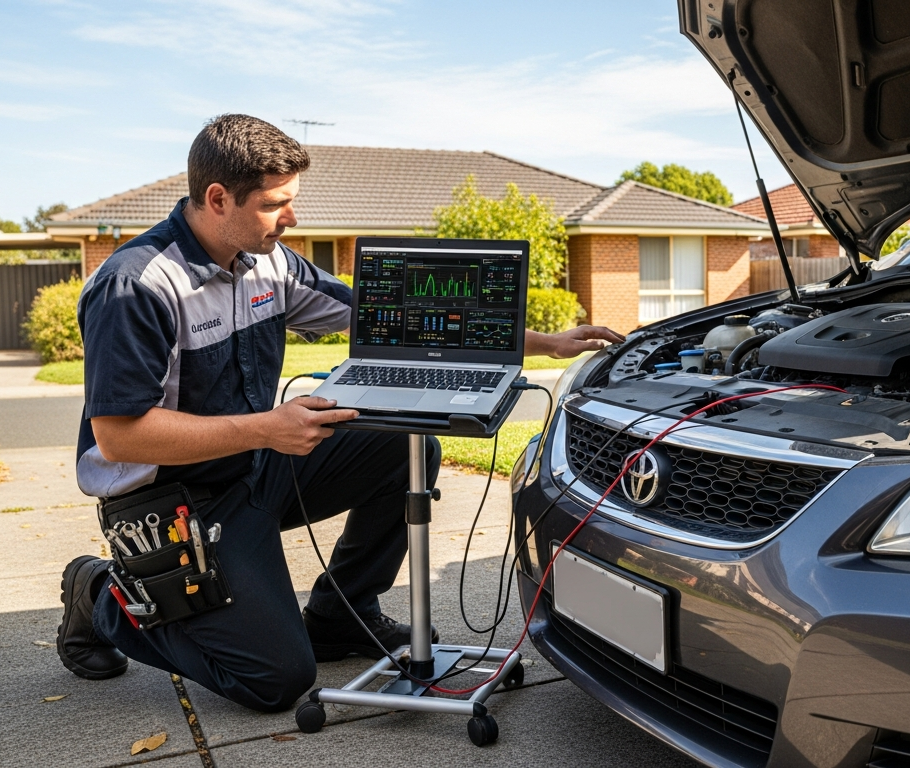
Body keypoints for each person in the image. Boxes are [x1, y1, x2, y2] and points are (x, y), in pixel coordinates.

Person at [55, 114, 624, 712]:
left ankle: (340, 614)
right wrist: (268, 429)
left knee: (405, 446)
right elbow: (119, 437)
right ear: (218, 198)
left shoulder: (268, 263)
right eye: (277, 204)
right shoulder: (137, 284)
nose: (293, 218)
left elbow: (387, 319)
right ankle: (98, 592)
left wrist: (544, 342)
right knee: (273, 681)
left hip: (255, 461)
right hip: (174, 497)